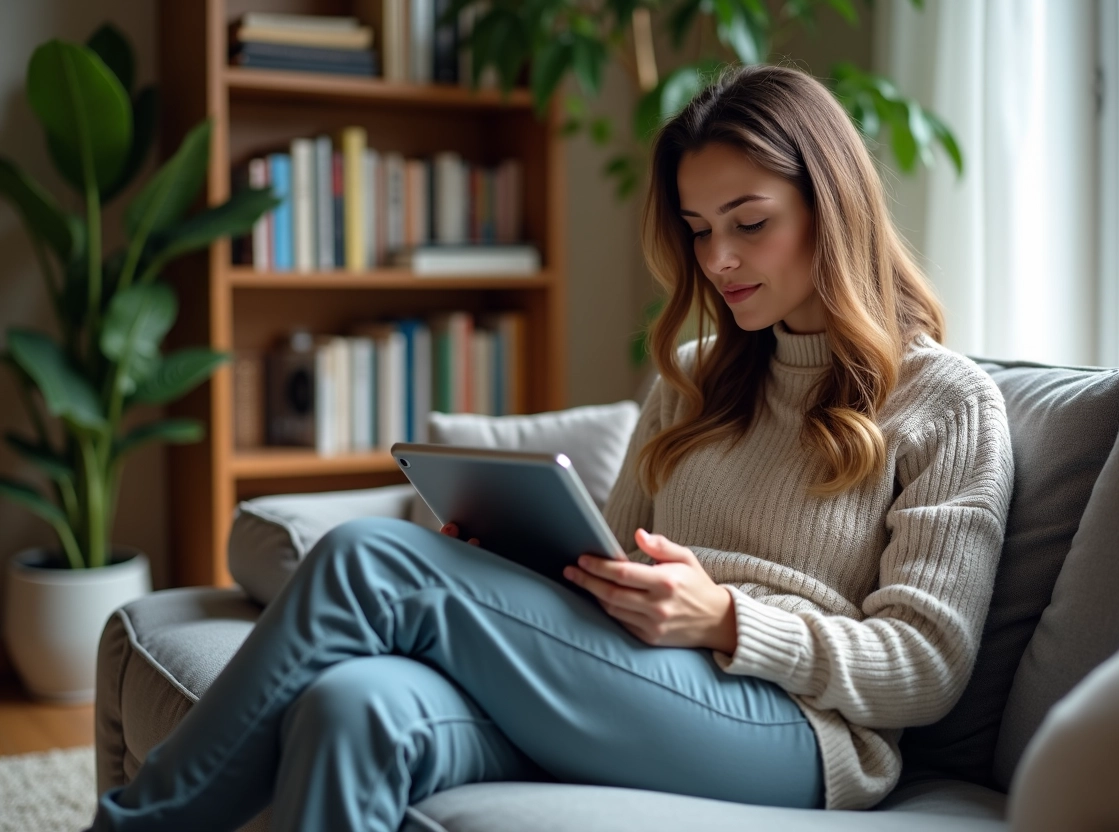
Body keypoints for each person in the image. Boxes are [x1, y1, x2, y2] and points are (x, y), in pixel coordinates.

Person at [88, 63, 1014, 832]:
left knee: (371, 560)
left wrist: (726, 619)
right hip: (636, 683)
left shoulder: (947, 402)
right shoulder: (693, 376)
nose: (719, 261)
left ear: (833, 206)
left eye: (750, 223)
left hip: (797, 735)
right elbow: (607, 563)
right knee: (353, 709)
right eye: (697, 232)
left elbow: (925, 666)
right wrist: (520, 566)